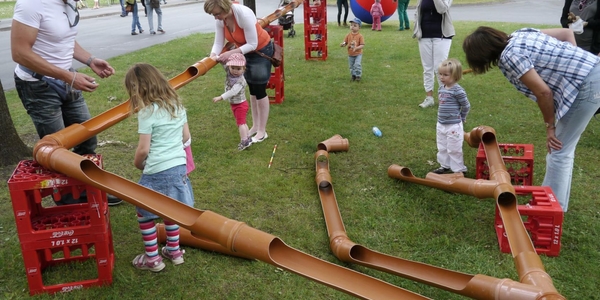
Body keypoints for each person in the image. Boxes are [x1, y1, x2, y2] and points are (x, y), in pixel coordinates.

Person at [462, 26, 600, 212]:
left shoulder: (510, 56)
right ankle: (555, 203)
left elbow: (543, 93)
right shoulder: (521, 33)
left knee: (558, 150)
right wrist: (575, 66)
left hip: (588, 85)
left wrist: (550, 127)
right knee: (564, 149)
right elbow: (567, 33)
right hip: (594, 68)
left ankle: (551, 207)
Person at [11, 0, 122, 206]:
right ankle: (68, 200)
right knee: (56, 148)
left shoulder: (67, 2)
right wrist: (69, 77)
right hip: (38, 86)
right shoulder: (31, 4)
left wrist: (90, 60)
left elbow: (64, 39)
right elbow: (19, 53)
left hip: (65, 79)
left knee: (86, 136)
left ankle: (86, 189)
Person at [125, 63, 194, 272]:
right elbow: (186, 137)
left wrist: (138, 164)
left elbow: (143, 150)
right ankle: (174, 251)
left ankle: (152, 259)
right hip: (179, 168)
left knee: (144, 213)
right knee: (170, 209)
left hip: (157, 172)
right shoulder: (177, 106)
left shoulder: (146, 113)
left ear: (139, 89)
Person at [204, 0, 274, 144]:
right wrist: (212, 56)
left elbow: (253, 43)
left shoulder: (244, 14)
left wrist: (231, 54)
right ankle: (255, 126)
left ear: (225, 7)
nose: (216, 17)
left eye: (217, 13)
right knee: (253, 91)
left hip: (261, 51)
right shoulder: (221, 19)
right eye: (213, 15)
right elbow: (218, 43)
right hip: (245, 51)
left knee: (260, 90)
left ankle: (262, 131)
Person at [431, 58, 470, 175]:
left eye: (445, 75)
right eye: (440, 74)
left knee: (454, 148)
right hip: (441, 124)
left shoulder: (458, 91)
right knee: (442, 146)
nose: (441, 77)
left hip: (453, 125)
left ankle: (458, 170)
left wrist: (462, 118)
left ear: (455, 75)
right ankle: (445, 165)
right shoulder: (441, 88)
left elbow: (466, 106)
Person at [413, 0, 455, 108]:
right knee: (427, 68)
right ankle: (429, 98)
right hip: (424, 35)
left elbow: (442, 9)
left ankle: (444, 97)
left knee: (440, 68)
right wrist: (416, 29)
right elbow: (418, 11)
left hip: (442, 36)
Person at [212, 53, 253, 151]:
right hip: (235, 104)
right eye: (233, 68)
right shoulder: (229, 71)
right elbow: (223, 63)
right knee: (242, 122)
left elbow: (233, 91)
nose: (235, 71)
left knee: (241, 123)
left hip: (240, 105)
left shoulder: (240, 81)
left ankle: (244, 141)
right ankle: (248, 138)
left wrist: (221, 97)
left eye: (238, 69)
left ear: (244, 69)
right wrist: (217, 58)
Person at [340, 18, 365, 82]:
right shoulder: (348, 35)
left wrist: (356, 48)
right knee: (351, 66)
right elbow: (345, 42)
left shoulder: (360, 36)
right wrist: (343, 44)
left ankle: (358, 75)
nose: (352, 27)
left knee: (357, 64)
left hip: (358, 54)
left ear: (359, 28)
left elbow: (362, 45)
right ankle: (353, 75)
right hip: (350, 53)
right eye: (351, 25)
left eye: (355, 25)